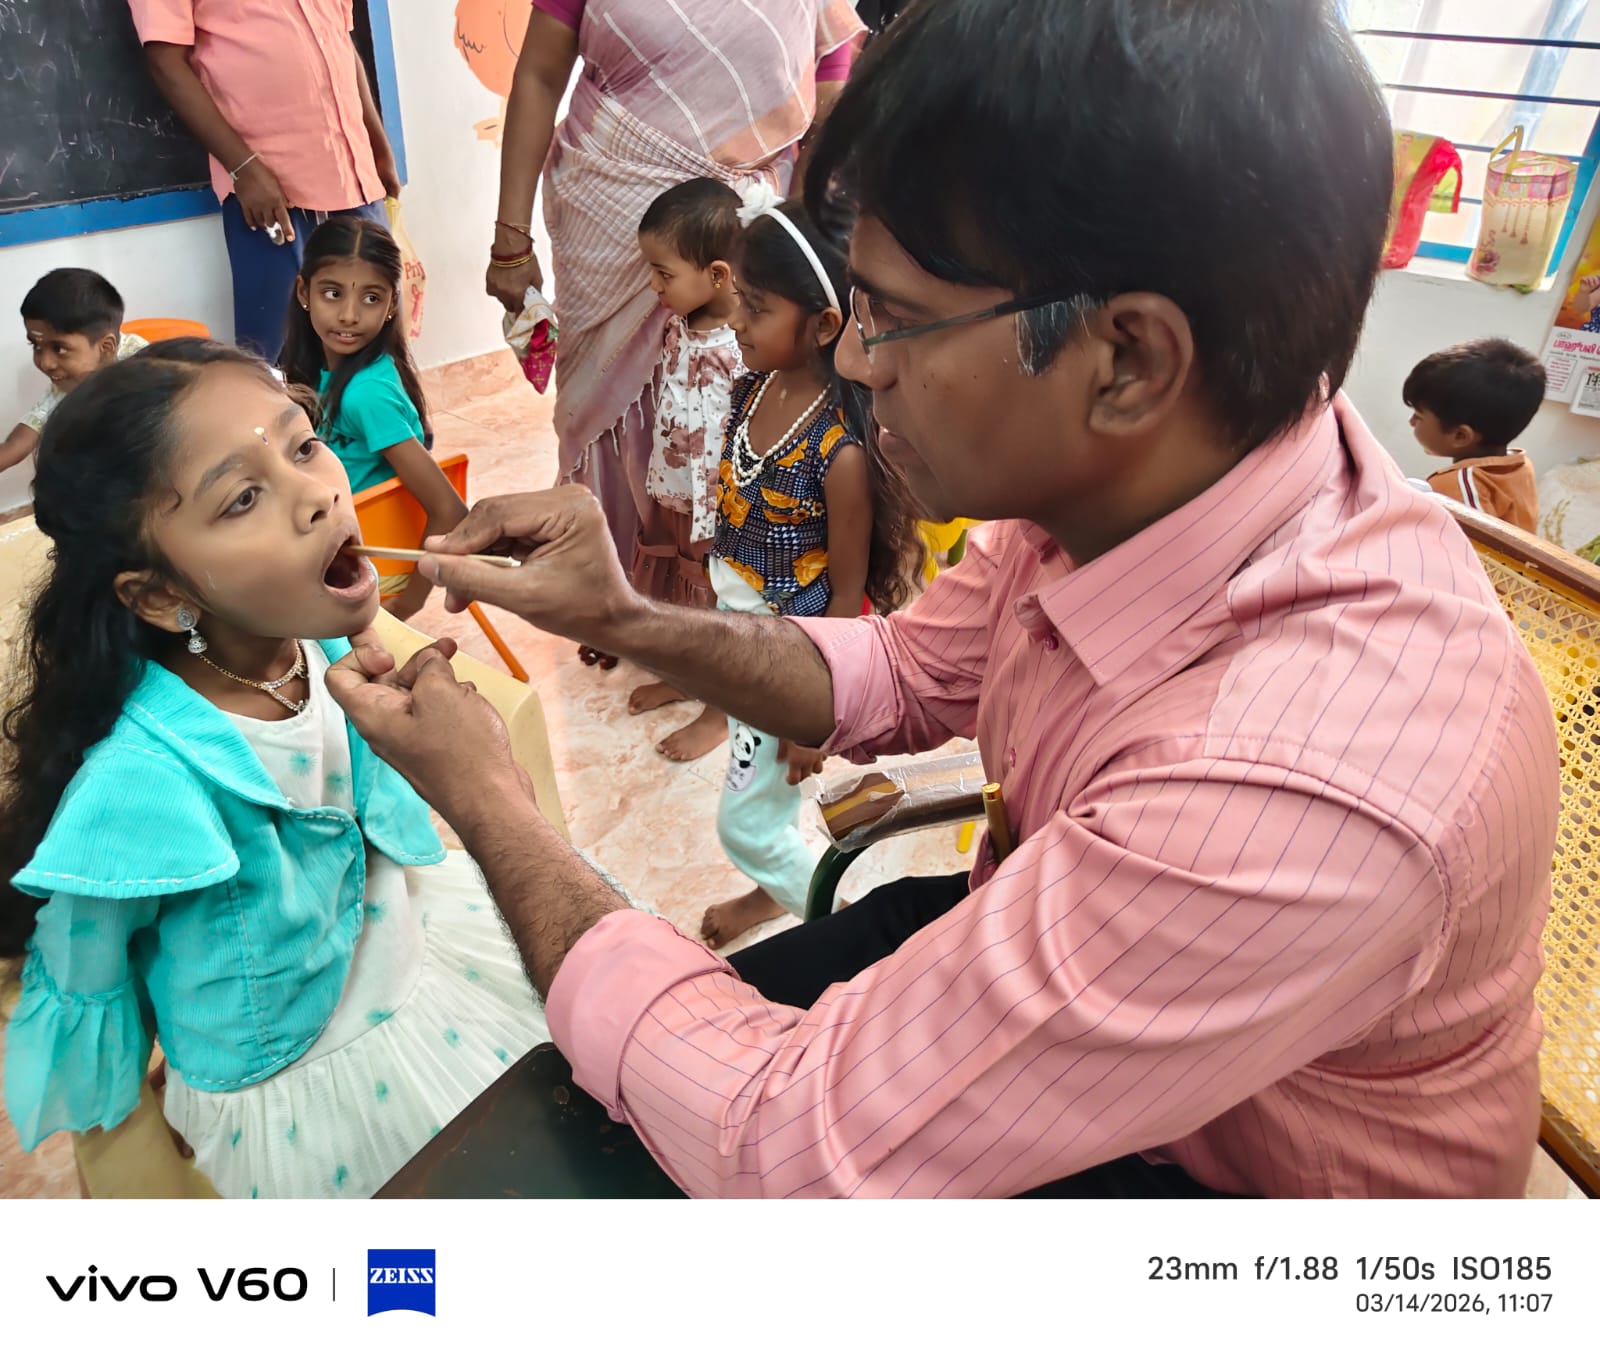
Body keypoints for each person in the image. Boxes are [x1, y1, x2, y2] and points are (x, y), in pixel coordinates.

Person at [331, 0, 1560, 1198]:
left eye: (894, 320)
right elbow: (908, 671)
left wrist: (489, 798)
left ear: (1129, 359)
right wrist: (619, 615)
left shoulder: (1293, 789)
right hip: (1092, 977)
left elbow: (779, 1154)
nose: (853, 360)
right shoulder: (1152, 477)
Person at [0, 339, 546, 1199]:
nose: (319, 493)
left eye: (303, 444)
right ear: (159, 595)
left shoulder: (318, 644)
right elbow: (85, 961)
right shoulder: (140, 782)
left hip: (418, 954)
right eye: (243, 497)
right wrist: (133, 1096)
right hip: (307, 1083)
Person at [484, 0, 864, 672]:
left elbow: (830, 94)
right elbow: (539, 73)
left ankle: (704, 622)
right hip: (608, 205)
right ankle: (608, 595)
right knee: (608, 409)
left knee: (729, 436)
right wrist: (511, 238)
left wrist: (786, 243)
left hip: (749, 214)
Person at [702, 192, 920, 948]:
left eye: (756, 308)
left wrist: (816, 718)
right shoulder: (753, 389)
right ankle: (774, 890)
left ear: (825, 325)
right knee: (762, 798)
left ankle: (850, 938)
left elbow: (847, 592)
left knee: (744, 824)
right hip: (740, 636)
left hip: (789, 661)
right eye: (739, 299)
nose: (736, 320)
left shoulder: (839, 453)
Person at [131, 0, 402, 361]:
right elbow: (165, 60)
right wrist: (244, 167)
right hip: (269, 192)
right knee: (278, 353)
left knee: (377, 343)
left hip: (355, 176)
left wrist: (378, 145)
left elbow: (340, 40)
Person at [280, 218, 466, 621]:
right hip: (336, 546)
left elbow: (450, 509)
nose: (349, 315)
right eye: (333, 293)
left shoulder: (366, 395)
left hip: (363, 562)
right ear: (304, 292)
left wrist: (410, 602)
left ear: (391, 305)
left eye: (370, 298)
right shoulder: (318, 372)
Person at [625, 179, 744, 762]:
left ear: (717, 275)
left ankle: (720, 712)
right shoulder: (679, 324)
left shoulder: (741, 344)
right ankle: (687, 678)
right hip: (673, 489)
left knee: (716, 596)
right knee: (679, 585)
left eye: (663, 273)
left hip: (716, 503)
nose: (654, 285)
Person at [0, 270, 146, 476]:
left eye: (59, 349)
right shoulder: (65, 387)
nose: (45, 363)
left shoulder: (147, 364)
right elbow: (16, 445)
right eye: (36, 346)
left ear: (106, 348)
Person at [1404, 338, 1544, 533]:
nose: (1411, 422)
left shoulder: (1457, 486)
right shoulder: (1519, 465)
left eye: (1418, 416)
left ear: (1460, 436)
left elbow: (1466, 547)